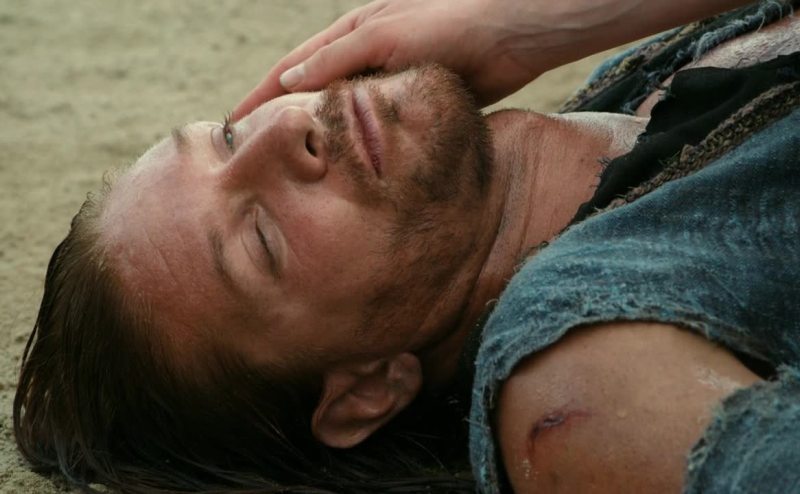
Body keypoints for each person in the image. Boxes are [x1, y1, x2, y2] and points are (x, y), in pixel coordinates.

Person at [13, 1, 800, 493]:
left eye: (227, 138)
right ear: (366, 392)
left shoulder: (633, 80)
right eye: (260, 237)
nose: (286, 131)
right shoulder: (578, 384)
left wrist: (538, 21)